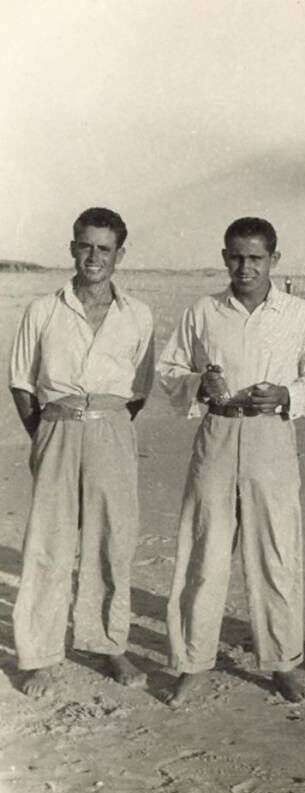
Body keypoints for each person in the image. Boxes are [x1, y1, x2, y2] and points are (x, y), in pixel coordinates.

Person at [157, 217, 305, 706]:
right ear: (224, 257)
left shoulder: (297, 314)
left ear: (274, 259)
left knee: (275, 553)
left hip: (271, 436)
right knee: (204, 551)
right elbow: (169, 369)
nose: (245, 267)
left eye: (256, 257)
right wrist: (199, 383)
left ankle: (283, 663)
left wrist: (286, 395)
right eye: (236, 257)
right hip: (217, 433)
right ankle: (193, 662)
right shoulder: (204, 311)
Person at [9, 207, 154, 698]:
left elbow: (139, 388)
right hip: (56, 428)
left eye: (104, 248)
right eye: (86, 246)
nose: (94, 257)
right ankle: (39, 655)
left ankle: (107, 643)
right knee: (47, 545)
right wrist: (45, 434)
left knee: (112, 542)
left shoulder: (138, 314)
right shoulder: (43, 310)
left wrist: (107, 428)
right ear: (72, 248)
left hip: (112, 432)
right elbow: (22, 383)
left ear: (119, 254)